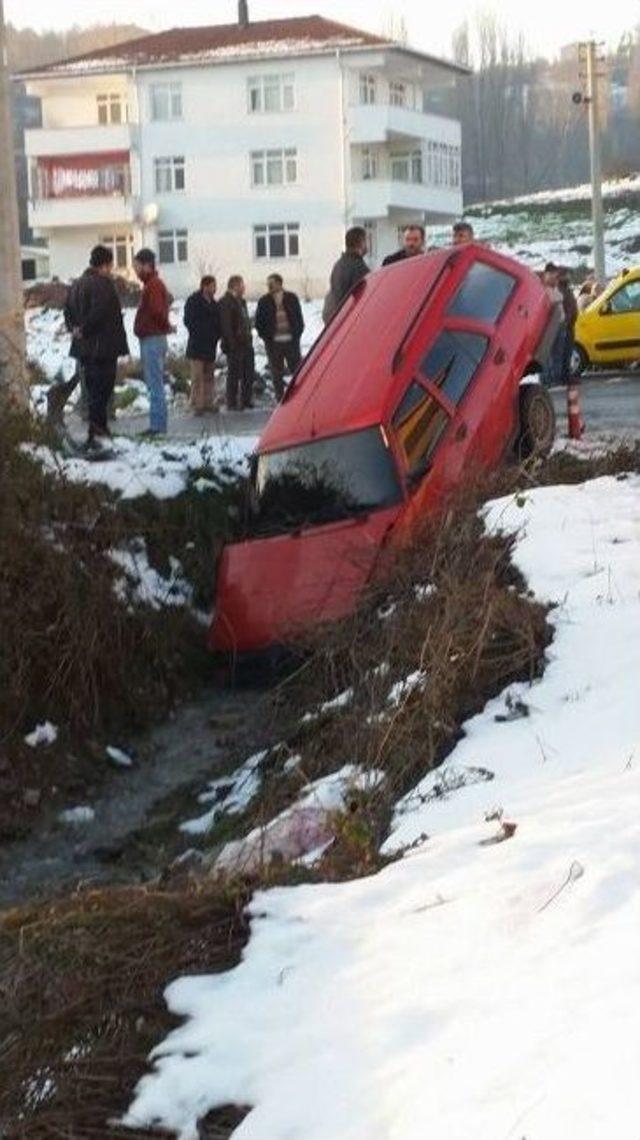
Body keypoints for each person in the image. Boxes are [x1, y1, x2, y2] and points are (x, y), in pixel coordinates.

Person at [63, 244, 128, 448]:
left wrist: (74, 329)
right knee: (103, 390)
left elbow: (67, 311)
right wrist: (85, 329)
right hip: (103, 347)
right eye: (110, 265)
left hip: (84, 348)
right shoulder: (103, 284)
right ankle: (98, 430)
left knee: (92, 391)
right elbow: (99, 313)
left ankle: (98, 429)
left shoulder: (76, 285)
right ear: (106, 264)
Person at [133, 248, 173, 437]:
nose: (135, 271)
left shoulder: (154, 285)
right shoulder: (151, 284)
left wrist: (165, 326)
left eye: (137, 266)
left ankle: (158, 427)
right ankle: (157, 425)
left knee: (155, 384)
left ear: (147, 265)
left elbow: (157, 311)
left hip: (153, 339)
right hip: (152, 337)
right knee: (153, 383)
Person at [254, 274, 305, 401]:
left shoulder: (291, 298)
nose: (270, 286)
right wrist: (266, 337)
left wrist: (296, 334)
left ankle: (298, 397)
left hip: (291, 341)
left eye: (272, 283)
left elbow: (298, 318)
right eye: (268, 284)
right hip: (274, 343)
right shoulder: (264, 301)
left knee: (296, 370)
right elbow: (259, 322)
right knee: (276, 372)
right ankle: (280, 398)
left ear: (279, 283)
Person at [184, 275, 221, 414]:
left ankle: (208, 402)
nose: (214, 289)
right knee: (197, 376)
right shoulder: (194, 301)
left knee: (209, 376)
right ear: (204, 286)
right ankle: (197, 404)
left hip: (210, 345)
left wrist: (216, 335)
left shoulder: (214, 304)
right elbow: (188, 320)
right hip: (197, 344)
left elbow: (218, 323)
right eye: (212, 286)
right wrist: (200, 331)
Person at [219, 275, 255, 411]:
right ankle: (232, 401)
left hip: (246, 342)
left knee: (248, 372)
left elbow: (243, 320)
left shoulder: (241, 302)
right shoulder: (226, 302)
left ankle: (246, 399)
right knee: (234, 373)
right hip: (235, 344)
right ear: (235, 286)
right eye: (242, 285)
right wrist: (231, 342)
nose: (244, 288)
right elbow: (226, 325)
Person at [323, 226, 369, 323]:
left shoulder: (340, 264)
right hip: (351, 322)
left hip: (339, 320)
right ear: (360, 243)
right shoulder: (358, 267)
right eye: (366, 241)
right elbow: (363, 299)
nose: (367, 245)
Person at [541, 263, 565, 387]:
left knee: (557, 353)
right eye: (553, 275)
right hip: (550, 326)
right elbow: (556, 299)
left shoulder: (554, 288)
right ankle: (547, 379)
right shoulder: (544, 290)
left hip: (559, 324)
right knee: (549, 354)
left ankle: (555, 378)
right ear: (547, 274)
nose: (556, 277)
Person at [558, 270, 578, 383]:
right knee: (564, 352)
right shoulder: (561, 290)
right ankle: (564, 376)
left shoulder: (567, 290)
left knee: (568, 352)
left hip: (570, 326)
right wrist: (566, 321)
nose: (568, 277)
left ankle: (566, 375)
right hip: (565, 326)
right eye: (566, 275)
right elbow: (564, 309)